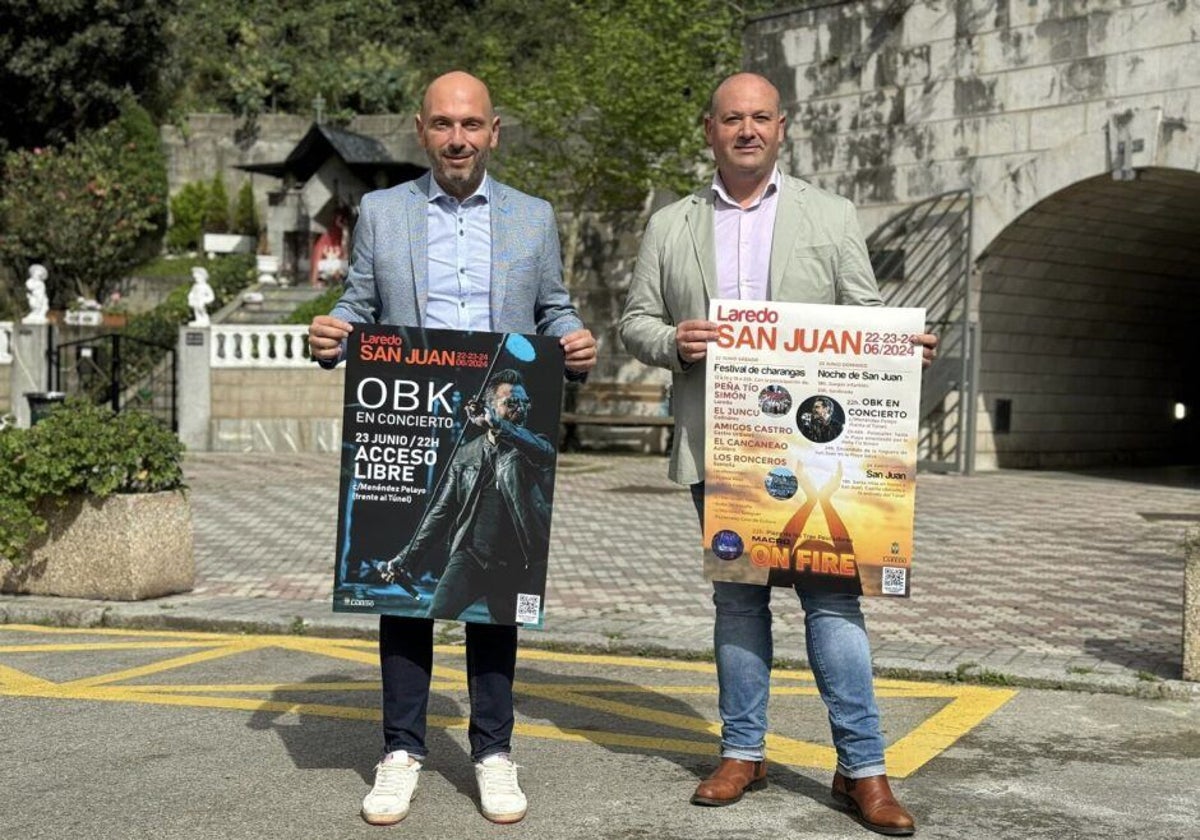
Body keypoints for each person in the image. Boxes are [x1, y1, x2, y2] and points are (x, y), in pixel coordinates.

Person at [618, 72, 936, 836]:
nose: (747, 130)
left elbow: (862, 315)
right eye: (733, 119)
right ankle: (743, 750)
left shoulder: (829, 214)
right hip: (723, 442)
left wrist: (900, 346)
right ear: (710, 129)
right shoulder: (672, 225)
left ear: (782, 127)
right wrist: (672, 341)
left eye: (761, 117)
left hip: (819, 446)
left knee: (832, 600)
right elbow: (634, 320)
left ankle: (863, 769)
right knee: (738, 598)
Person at [308, 71, 596, 827]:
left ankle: (493, 752)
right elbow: (360, 302)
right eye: (443, 125)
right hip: (412, 414)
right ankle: (401, 749)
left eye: (471, 125)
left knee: (495, 587)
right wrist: (333, 334)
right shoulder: (382, 211)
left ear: (493, 132)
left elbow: (553, 305)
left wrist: (572, 337)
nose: (458, 139)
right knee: (402, 594)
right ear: (422, 130)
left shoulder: (532, 217)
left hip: (493, 431)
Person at [383, 368, 553, 624]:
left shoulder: (531, 447)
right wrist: (407, 557)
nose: (522, 408)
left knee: (512, 634)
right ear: (488, 406)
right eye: (512, 402)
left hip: (521, 568)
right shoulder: (466, 455)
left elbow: (544, 453)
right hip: (470, 559)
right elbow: (441, 512)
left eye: (525, 401)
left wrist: (500, 426)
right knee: (434, 617)